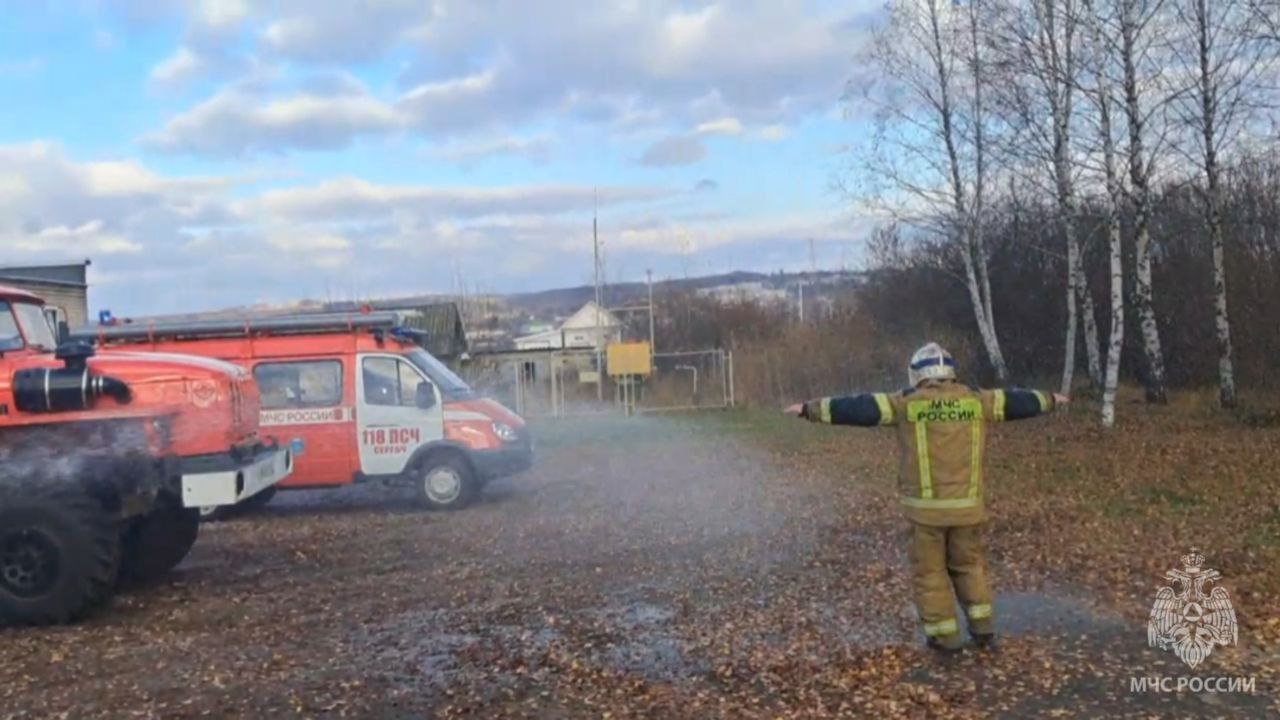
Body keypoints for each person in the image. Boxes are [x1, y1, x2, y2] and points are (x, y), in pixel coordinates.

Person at [785, 342, 1068, 652]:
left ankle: (945, 637)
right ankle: (983, 629)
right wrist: (1050, 400)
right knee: (970, 567)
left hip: (926, 514)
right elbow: (1017, 401)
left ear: (917, 373)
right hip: (968, 509)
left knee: (930, 573)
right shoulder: (977, 400)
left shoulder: (906, 403)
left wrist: (808, 409)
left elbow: (858, 408)